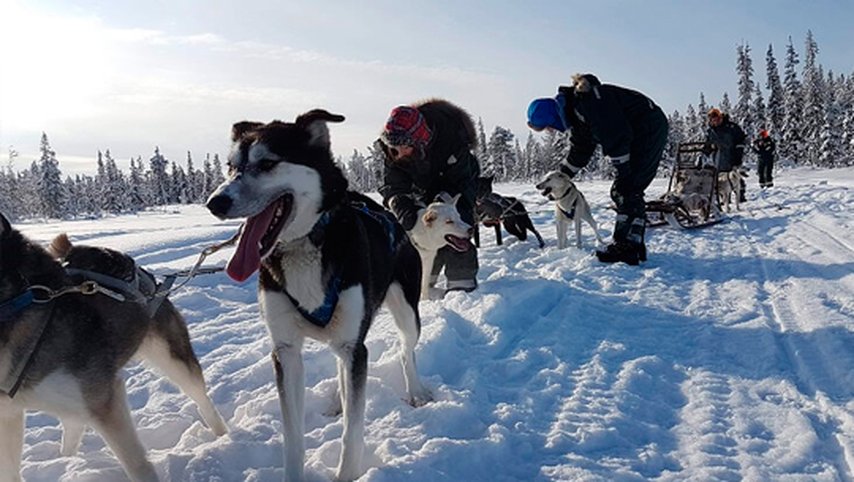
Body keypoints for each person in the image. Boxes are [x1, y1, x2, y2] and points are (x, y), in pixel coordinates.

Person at [527, 73, 668, 266]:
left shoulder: (590, 104)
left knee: (627, 187)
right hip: (639, 131)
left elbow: (617, 135)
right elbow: (581, 149)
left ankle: (628, 247)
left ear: (552, 117)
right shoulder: (577, 112)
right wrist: (562, 178)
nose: (551, 131)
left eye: (548, 127)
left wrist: (624, 169)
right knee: (624, 189)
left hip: (649, 128)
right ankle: (631, 244)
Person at [377, 99, 480, 296]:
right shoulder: (393, 148)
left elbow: (463, 181)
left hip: (457, 186)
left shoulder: (452, 139)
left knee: (456, 224)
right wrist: (400, 204)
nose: (397, 153)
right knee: (422, 233)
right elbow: (393, 185)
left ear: (419, 140)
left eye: (403, 146)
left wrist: (444, 201)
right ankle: (426, 278)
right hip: (421, 190)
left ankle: (462, 281)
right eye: (392, 147)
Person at [704, 108, 747, 201]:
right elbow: (707, 145)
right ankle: (724, 198)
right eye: (713, 120)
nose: (715, 122)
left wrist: (739, 154)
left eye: (717, 119)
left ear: (721, 117)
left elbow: (741, 140)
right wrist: (705, 153)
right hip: (718, 159)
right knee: (721, 180)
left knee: (734, 177)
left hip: (732, 156)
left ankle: (740, 196)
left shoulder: (731, 127)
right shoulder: (711, 132)